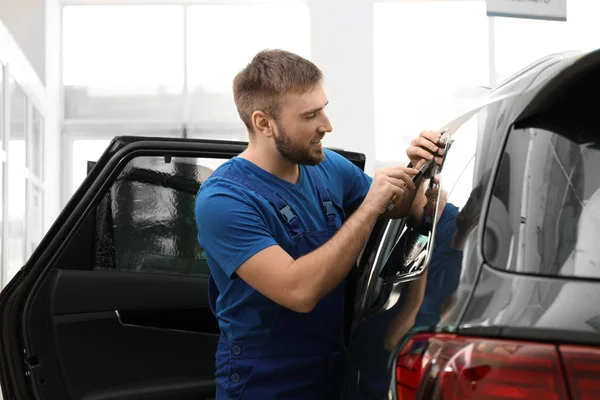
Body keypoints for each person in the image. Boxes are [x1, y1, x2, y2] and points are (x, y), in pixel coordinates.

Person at [194, 49, 439, 399]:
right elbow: (299, 291)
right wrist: (368, 208)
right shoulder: (225, 200)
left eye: (323, 107)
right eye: (310, 115)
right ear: (264, 123)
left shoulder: (327, 167)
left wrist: (416, 169)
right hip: (264, 381)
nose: (327, 124)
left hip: (331, 368)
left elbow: (394, 207)